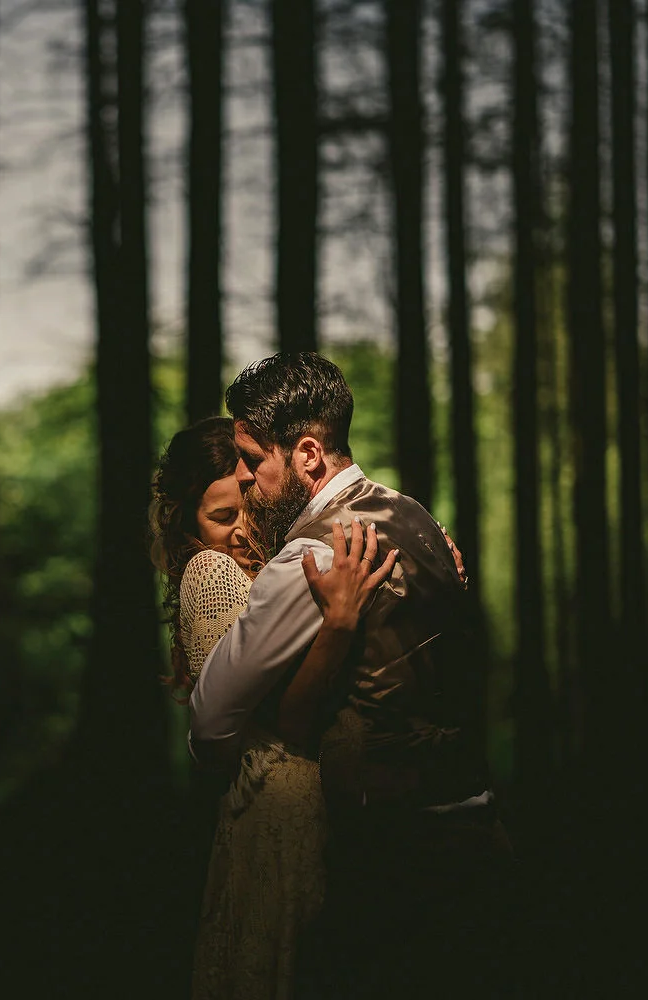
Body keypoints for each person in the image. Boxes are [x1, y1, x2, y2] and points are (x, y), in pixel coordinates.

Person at [189, 353, 512, 997]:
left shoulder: (311, 554)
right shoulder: (416, 517)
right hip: (476, 829)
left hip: (390, 854)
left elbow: (208, 722)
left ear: (307, 454)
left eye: (255, 461)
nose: (246, 480)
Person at [151, 416, 397, 1000]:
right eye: (219, 518)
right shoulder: (212, 573)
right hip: (277, 806)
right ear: (188, 521)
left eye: (246, 511)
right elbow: (278, 721)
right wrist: (337, 626)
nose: (239, 531)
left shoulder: (273, 563)